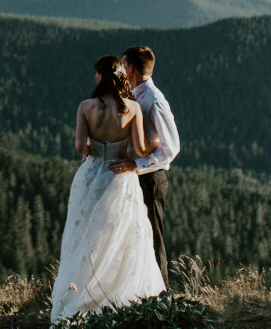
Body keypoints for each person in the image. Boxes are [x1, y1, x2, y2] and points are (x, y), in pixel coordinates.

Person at [49, 55, 165, 323]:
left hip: (91, 175)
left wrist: (94, 150)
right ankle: (117, 296)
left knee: (85, 236)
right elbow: (139, 150)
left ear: (101, 77)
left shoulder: (86, 107)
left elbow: (80, 146)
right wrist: (156, 142)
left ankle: (82, 296)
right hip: (119, 177)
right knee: (118, 236)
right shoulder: (132, 108)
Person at [108, 46, 180, 288]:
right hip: (134, 175)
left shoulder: (155, 100)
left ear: (132, 68)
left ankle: (162, 296)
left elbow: (171, 148)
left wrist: (136, 165)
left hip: (151, 178)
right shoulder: (134, 94)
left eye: (123, 65)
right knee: (132, 237)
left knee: (152, 239)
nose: (121, 69)